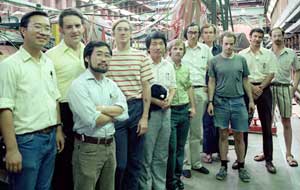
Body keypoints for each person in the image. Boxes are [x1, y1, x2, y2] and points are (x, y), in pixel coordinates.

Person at [0, 11, 64, 190]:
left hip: (50, 138)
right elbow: (4, 108)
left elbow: (54, 97)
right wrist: (12, 149)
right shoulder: (9, 66)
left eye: (46, 28)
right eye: (37, 27)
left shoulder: (48, 63)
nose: (44, 32)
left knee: (44, 187)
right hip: (26, 142)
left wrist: (58, 129)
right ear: (23, 31)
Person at [67, 41, 128, 190]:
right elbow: (93, 119)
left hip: (110, 145)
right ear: (87, 58)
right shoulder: (79, 85)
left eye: (107, 55)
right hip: (89, 148)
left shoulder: (111, 84)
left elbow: (125, 112)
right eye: (99, 54)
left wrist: (101, 109)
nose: (104, 59)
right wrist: (114, 113)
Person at [106, 18, 153, 190]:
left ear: (131, 33)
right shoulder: (108, 56)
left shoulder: (141, 57)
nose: (123, 32)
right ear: (113, 33)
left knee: (135, 161)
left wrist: (145, 117)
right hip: (116, 110)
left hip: (136, 108)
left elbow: (146, 87)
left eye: (127, 29)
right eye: (120, 29)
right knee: (120, 164)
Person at [207, 31, 255, 182]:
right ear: (221, 43)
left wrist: (251, 100)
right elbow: (211, 82)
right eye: (226, 44)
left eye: (231, 44)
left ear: (234, 44)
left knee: (239, 135)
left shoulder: (241, 60)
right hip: (220, 102)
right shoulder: (214, 61)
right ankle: (223, 166)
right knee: (223, 135)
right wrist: (210, 101)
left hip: (238, 101)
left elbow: (246, 80)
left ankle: (241, 166)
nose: (228, 47)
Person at [46, 8, 85, 190]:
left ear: (83, 28)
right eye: (69, 27)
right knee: (63, 163)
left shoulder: (90, 52)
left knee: (83, 164)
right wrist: (58, 128)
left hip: (86, 112)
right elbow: (49, 95)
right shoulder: (50, 57)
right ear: (60, 30)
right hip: (63, 112)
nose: (74, 30)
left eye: (77, 26)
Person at [139, 31, 176, 190]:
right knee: (146, 155)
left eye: (161, 43)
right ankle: (145, 186)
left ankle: (159, 186)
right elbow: (140, 90)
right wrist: (156, 102)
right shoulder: (143, 64)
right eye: (154, 44)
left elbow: (173, 86)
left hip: (166, 113)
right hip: (150, 113)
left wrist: (170, 99)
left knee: (161, 154)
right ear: (148, 47)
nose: (158, 47)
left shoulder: (169, 65)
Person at [239, 28, 278, 174]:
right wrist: (251, 88)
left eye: (260, 37)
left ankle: (269, 160)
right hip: (246, 89)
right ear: (250, 37)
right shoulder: (242, 55)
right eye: (255, 36)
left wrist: (260, 87)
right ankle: (241, 159)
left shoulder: (269, 55)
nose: (257, 39)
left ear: (262, 39)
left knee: (267, 126)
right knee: (243, 126)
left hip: (264, 90)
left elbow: (271, 73)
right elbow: (241, 74)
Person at [182, 23, 211, 177]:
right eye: (190, 32)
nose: (193, 35)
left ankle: (196, 162)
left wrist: (209, 90)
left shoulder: (205, 50)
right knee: (184, 130)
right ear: (186, 33)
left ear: (199, 34)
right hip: (182, 93)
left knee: (196, 130)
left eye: (195, 32)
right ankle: (185, 164)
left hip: (200, 91)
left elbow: (211, 70)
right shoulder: (181, 48)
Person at [166, 39, 196, 190]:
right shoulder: (165, 67)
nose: (178, 51)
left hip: (184, 110)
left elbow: (189, 87)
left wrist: (193, 107)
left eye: (181, 49)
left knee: (180, 147)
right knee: (171, 148)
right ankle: (170, 180)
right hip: (170, 111)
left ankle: (177, 178)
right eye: (175, 49)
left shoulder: (186, 68)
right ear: (169, 51)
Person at [270, 27, 300, 167]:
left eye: (279, 35)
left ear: (283, 36)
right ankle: (267, 152)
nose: (276, 38)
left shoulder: (291, 53)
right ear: (271, 37)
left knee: (286, 121)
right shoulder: (266, 53)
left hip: (284, 88)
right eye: (274, 35)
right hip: (268, 89)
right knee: (267, 122)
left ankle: (289, 154)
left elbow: (297, 70)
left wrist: (293, 87)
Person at [201, 23, 222, 163]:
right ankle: (208, 151)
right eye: (205, 32)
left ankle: (221, 151)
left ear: (215, 35)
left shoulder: (220, 50)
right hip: (203, 89)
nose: (208, 35)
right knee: (207, 122)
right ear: (202, 35)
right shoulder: (199, 50)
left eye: (210, 32)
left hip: (219, 89)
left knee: (220, 122)